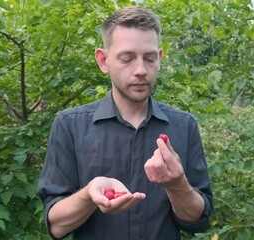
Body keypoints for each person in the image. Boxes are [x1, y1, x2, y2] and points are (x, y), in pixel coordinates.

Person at [38, 6, 213, 240]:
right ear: (103, 60)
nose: (141, 70)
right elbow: (56, 226)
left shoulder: (184, 126)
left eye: (149, 58)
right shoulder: (70, 125)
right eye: (127, 58)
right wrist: (89, 194)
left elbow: (197, 221)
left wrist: (177, 184)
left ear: (159, 59)